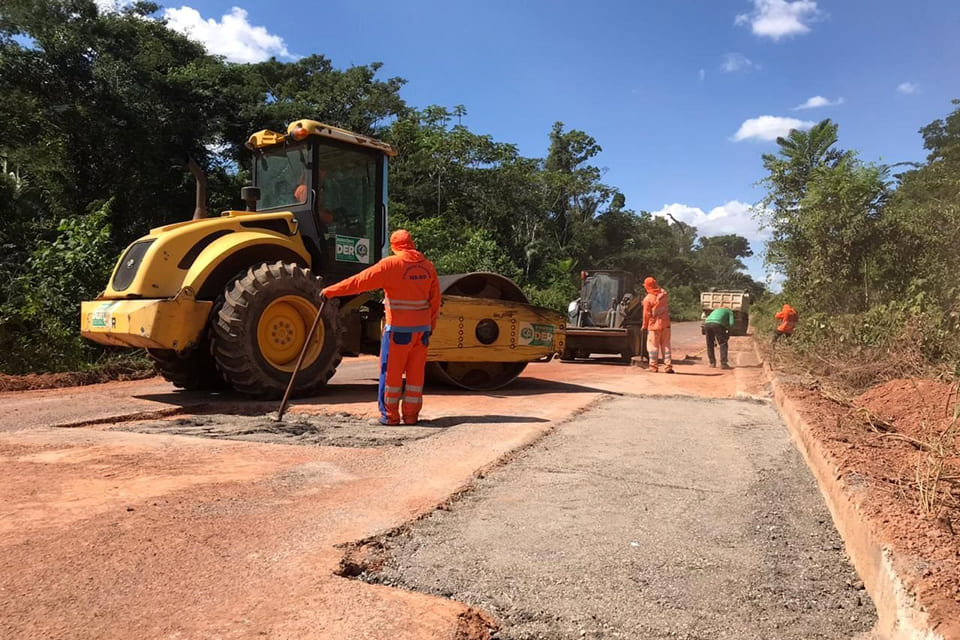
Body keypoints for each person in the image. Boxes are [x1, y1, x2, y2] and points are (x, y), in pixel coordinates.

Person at [321, 229, 441, 425]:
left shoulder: (391, 265)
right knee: (415, 375)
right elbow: (435, 301)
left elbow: (358, 282)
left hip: (398, 332)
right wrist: (430, 327)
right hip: (422, 331)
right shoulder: (428, 267)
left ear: (394, 246)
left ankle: (390, 417)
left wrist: (330, 291)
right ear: (411, 244)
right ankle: (411, 417)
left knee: (391, 374)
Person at [642, 277, 673, 373]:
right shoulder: (664, 295)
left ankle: (653, 366)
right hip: (666, 325)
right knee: (666, 346)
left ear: (647, 286)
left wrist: (644, 326)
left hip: (654, 327)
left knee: (653, 347)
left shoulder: (648, 299)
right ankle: (668, 366)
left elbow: (646, 315)